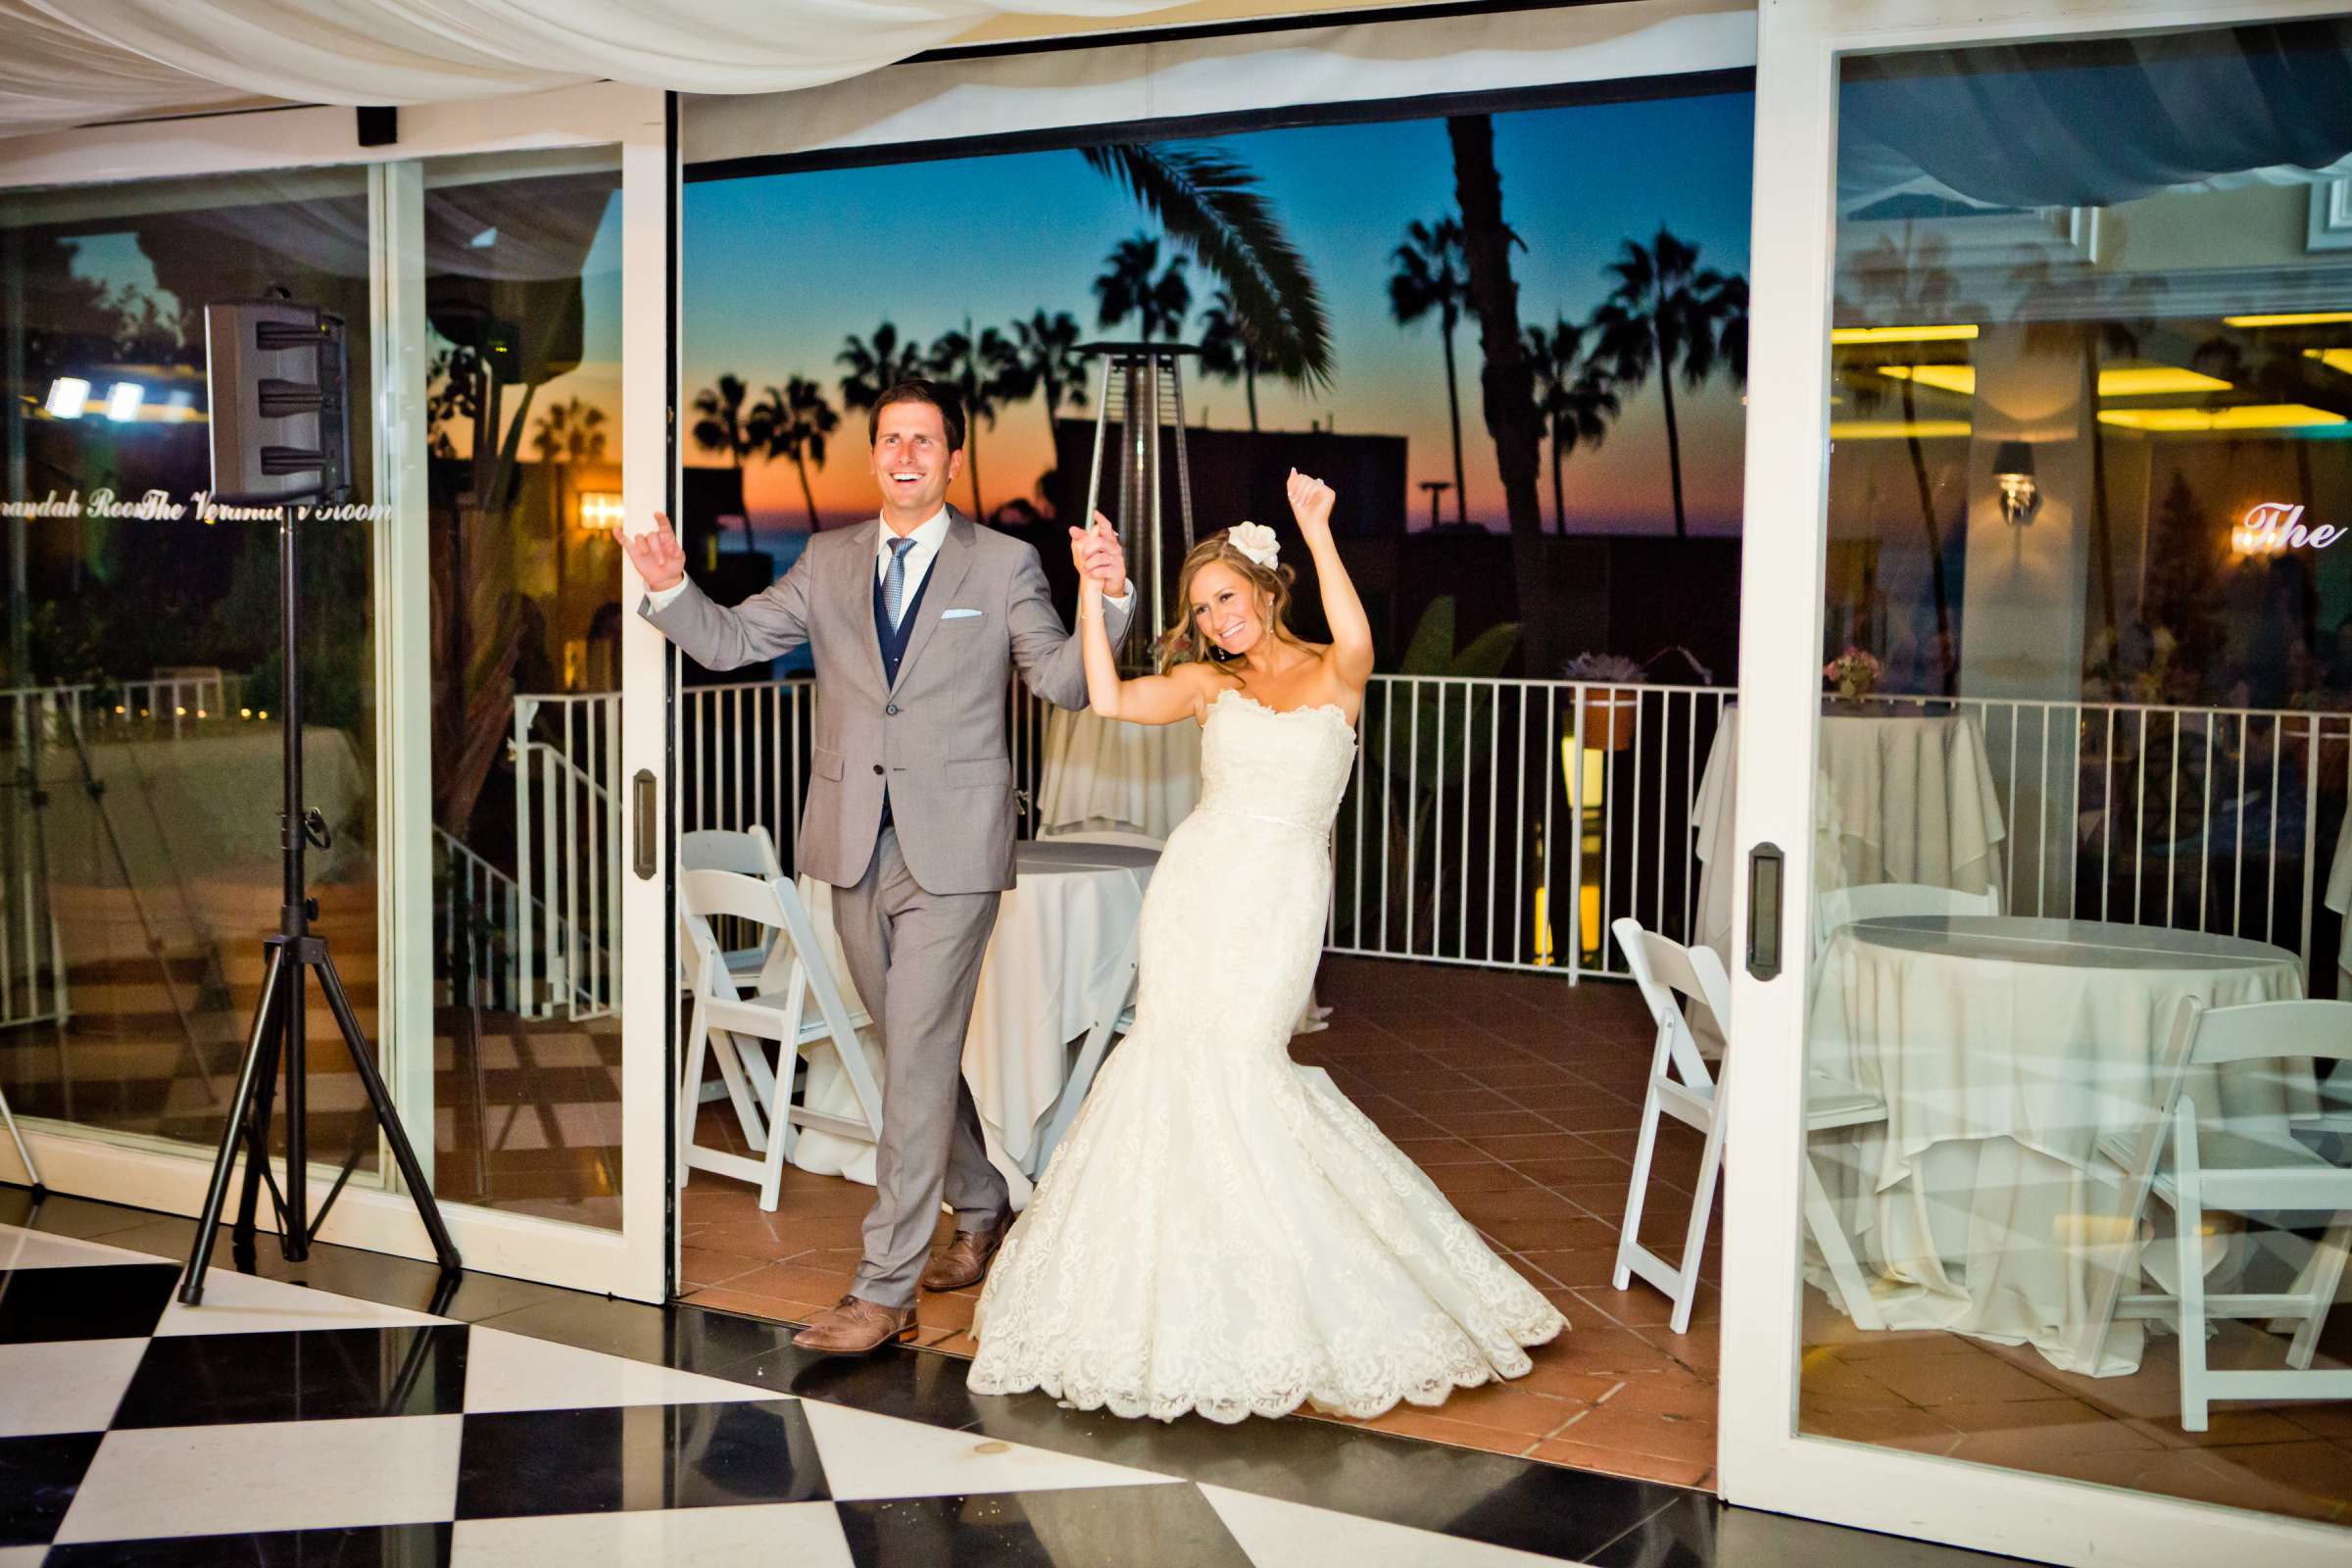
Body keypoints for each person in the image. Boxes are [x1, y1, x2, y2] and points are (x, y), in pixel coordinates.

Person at [966, 469, 1566, 1422]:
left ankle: (1289, 1287)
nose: (1214, 619)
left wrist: (1319, 530)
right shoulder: (1210, 686)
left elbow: (1358, 635)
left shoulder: (1337, 670)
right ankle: (1172, 1296)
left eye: (1227, 598)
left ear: (1265, 592)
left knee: (1246, 1065)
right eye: (1202, 608)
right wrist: (1089, 587)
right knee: (1170, 1066)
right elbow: (1110, 698)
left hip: (1281, 895)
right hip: (1195, 888)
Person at [623, 379, 1133, 1354]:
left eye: (925, 440)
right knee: (914, 1053)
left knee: (917, 1051)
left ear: (951, 461)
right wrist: (669, 590)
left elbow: (1066, 682)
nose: (906, 453)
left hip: (955, 855)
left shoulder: (1006, 563)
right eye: (891, 438)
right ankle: (981, 1202)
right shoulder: (826, 559)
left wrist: (1105, 597)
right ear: (874, 458)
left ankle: (882, 1291)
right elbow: (731, 643)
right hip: (852, 842)